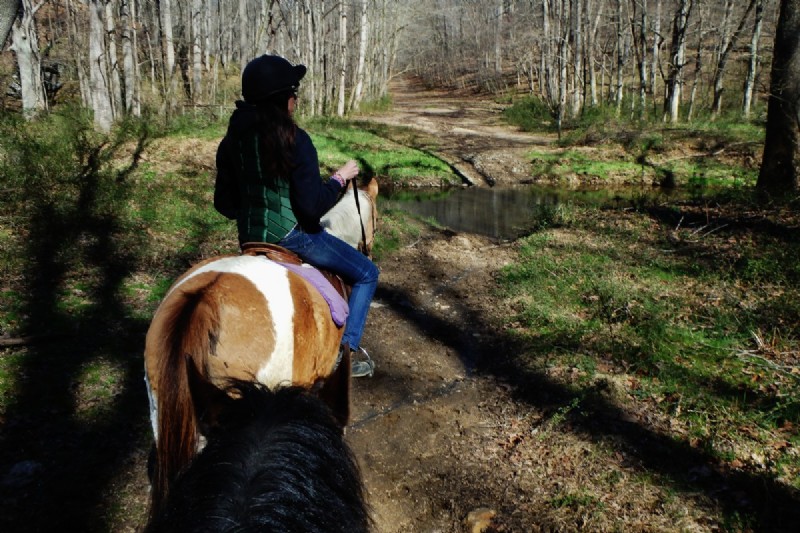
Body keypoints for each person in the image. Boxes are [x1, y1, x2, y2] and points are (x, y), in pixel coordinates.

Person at [213, 54, 379, 378]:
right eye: (294, 93)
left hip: (249, 238)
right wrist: (338, 179)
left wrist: (254, 203)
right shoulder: (295, 140)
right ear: (283, 99)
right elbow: (310, 209)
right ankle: (347, 352)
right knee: (367, 272)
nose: (296, 99)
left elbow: (226, 205)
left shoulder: (231, 143)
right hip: (293, 237)